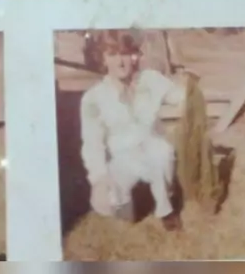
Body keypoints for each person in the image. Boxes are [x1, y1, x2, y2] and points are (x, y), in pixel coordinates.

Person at [80, 32, 186, 231]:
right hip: (122, 158)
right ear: (102, 59)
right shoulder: (93, 98)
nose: (121, 62)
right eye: (112, 55)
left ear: (134, 56)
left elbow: (180, 97)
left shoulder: (150, 80)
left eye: (125, 54)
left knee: (161, 152)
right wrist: (99, 178)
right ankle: (128, 197)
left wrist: (190, 86)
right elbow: (92, 144)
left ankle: (166, 207)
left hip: (152, 149)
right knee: (119, 213)